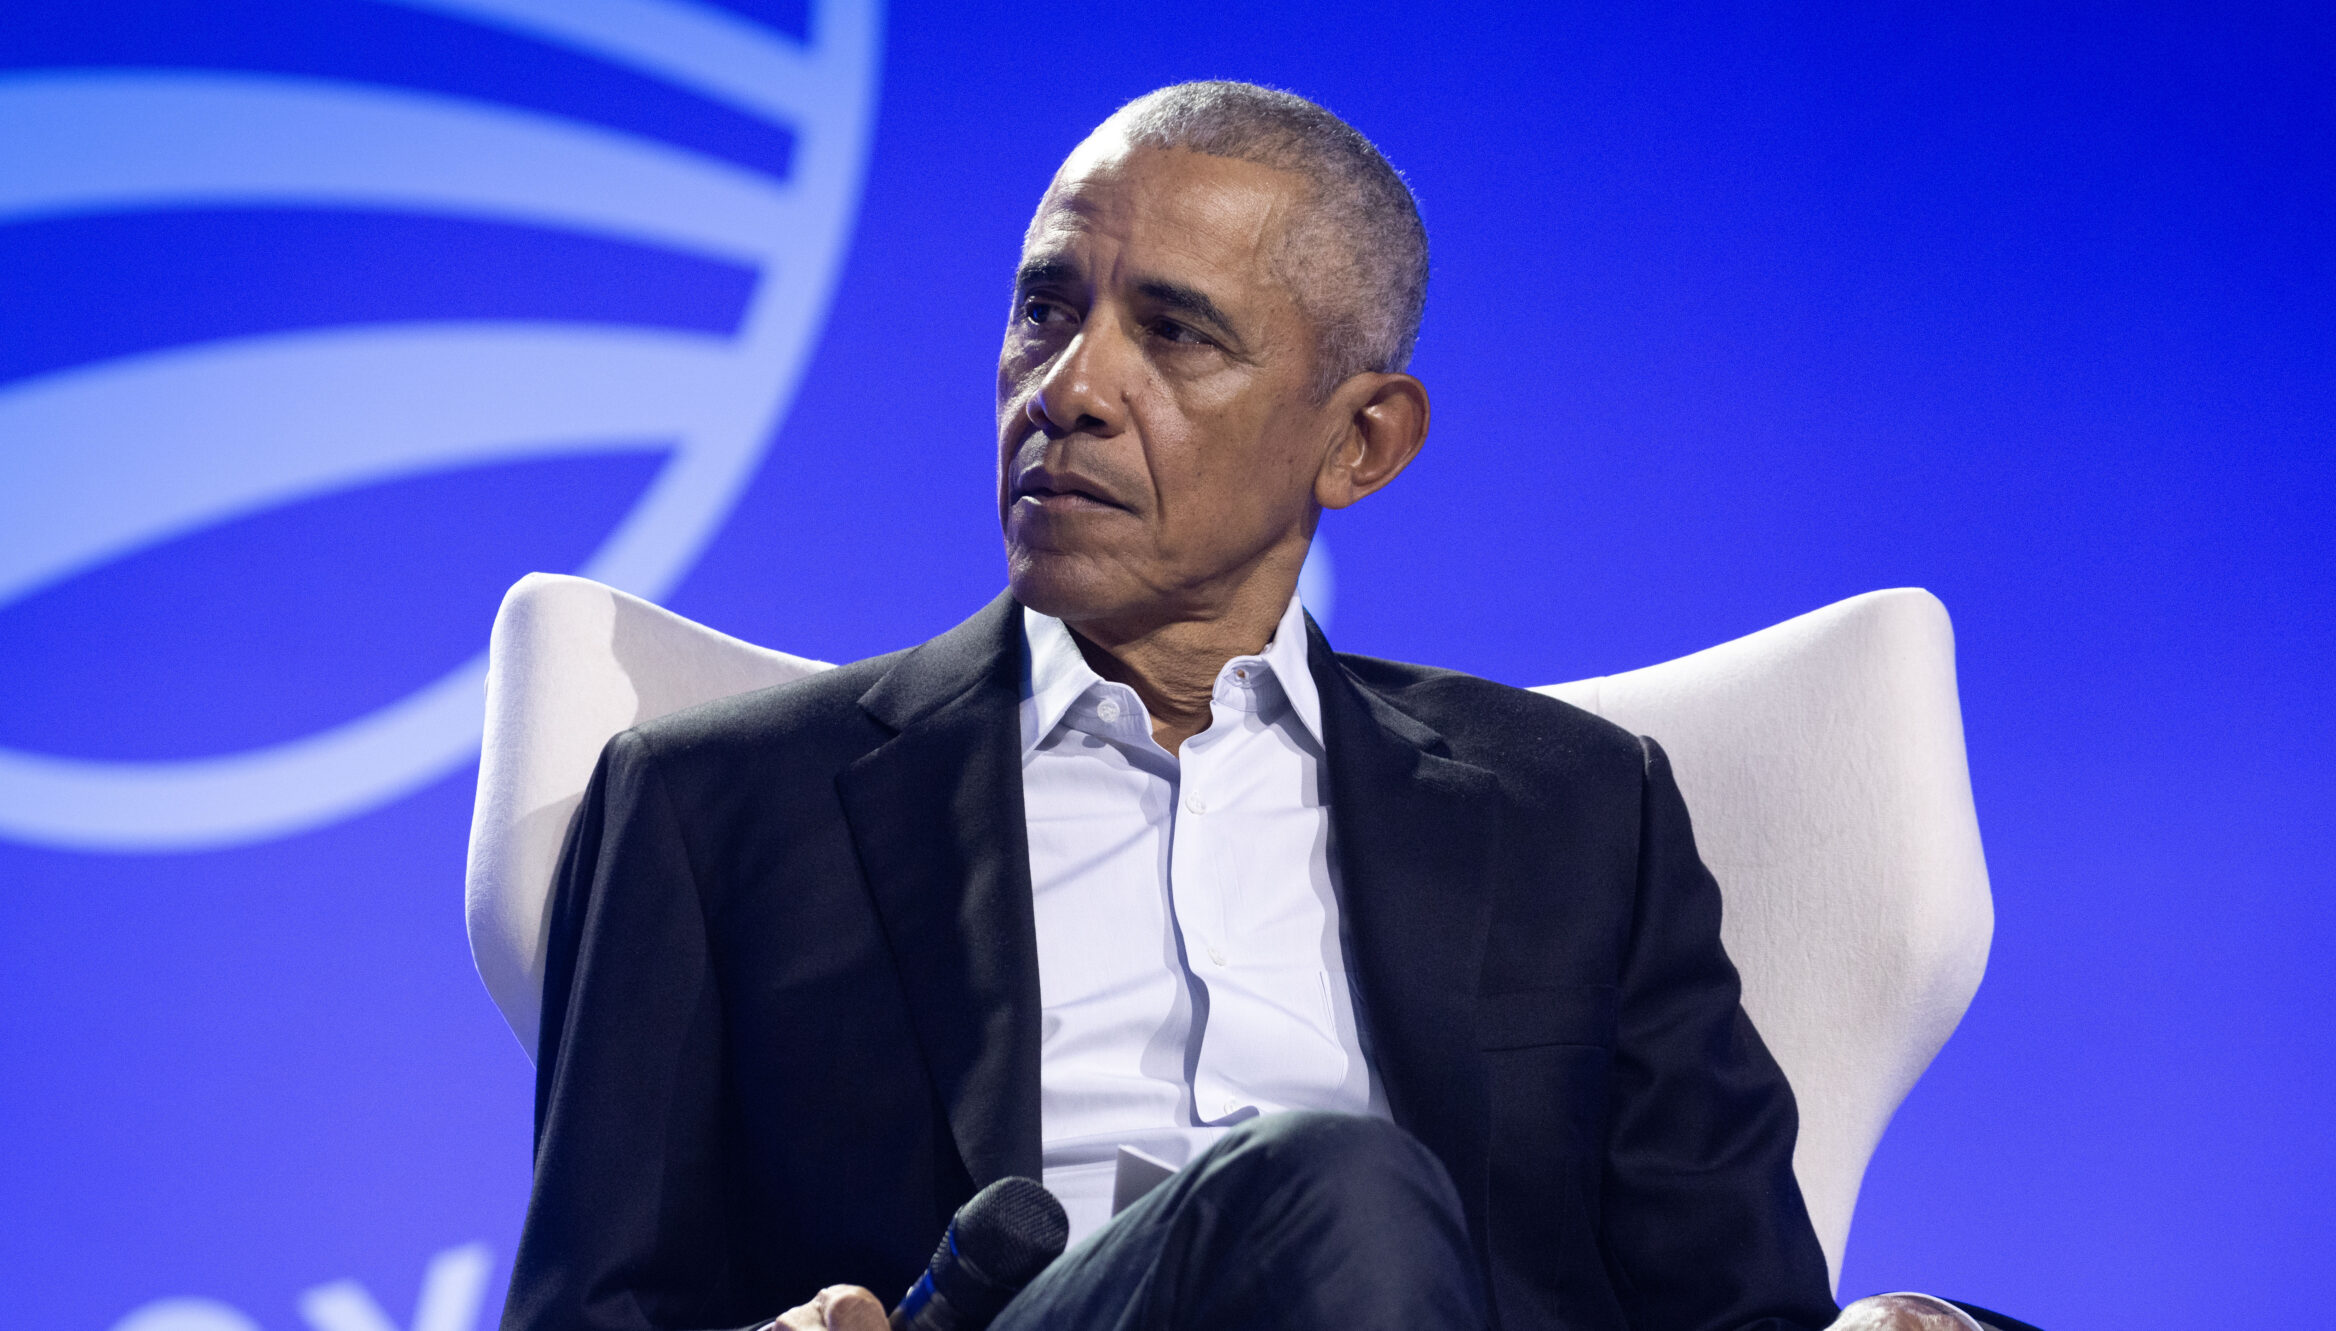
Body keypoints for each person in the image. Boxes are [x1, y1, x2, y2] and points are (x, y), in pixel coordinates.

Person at [502, 82, 1989, 1331]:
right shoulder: (723, 805)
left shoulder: (1575, 810)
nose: (1070, 390)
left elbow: (1743, 1313)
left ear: (1359, 441)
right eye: (1044, 311)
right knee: (1338, 1184)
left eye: (1175, 333)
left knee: (1351, 1199)